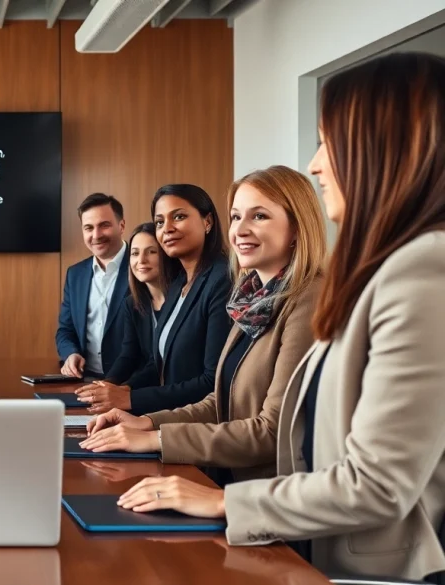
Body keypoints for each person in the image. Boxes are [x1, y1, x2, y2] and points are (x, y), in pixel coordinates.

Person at [114, 52, 445, 582]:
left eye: (327, 142)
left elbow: (377, 485)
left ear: (382, 148)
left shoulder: (421, 271)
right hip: (309, 539)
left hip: (364, 567)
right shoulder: (372, 274)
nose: (315, 164)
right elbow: (251, 410)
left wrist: (224, 502)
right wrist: (151, 427)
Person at [82, 165, 327, 486]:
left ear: (297, 227)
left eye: (259, 216)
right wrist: (147, 422)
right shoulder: (251, 297)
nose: (240, 230)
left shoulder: (309, 298)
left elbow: (273, 432)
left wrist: (156, 438)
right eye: (236, 217)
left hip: (264, 493)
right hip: (226, 476)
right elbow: (222, 401)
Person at [76, 184, 233, 415]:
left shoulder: (222, 280)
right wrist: (118, 389)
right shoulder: (179, 283)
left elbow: (213, 382)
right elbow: (158, 364)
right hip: (169, 415)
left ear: (207, 221)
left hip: (198, 422)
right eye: (160, 222)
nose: (167, 228)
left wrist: (129, 398)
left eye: (178, 217)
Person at [56, 193, 130, 378]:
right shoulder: (75, 274)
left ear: (121, 226)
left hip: (132, 382)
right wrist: (70, 353)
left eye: (104, 225)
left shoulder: (143, 266)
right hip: (86, 379)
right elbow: (65, 330)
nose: (96, 235)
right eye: (88, 228)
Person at [99, 222, 176, 390]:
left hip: (176, 391)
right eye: (135, 253)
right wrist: (107, 384)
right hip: (148, 390)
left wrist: (125, 388)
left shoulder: (181, 299)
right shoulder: (131, 304)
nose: (141, 260)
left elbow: (157, 362)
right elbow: (129, 354)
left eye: (151, 252)